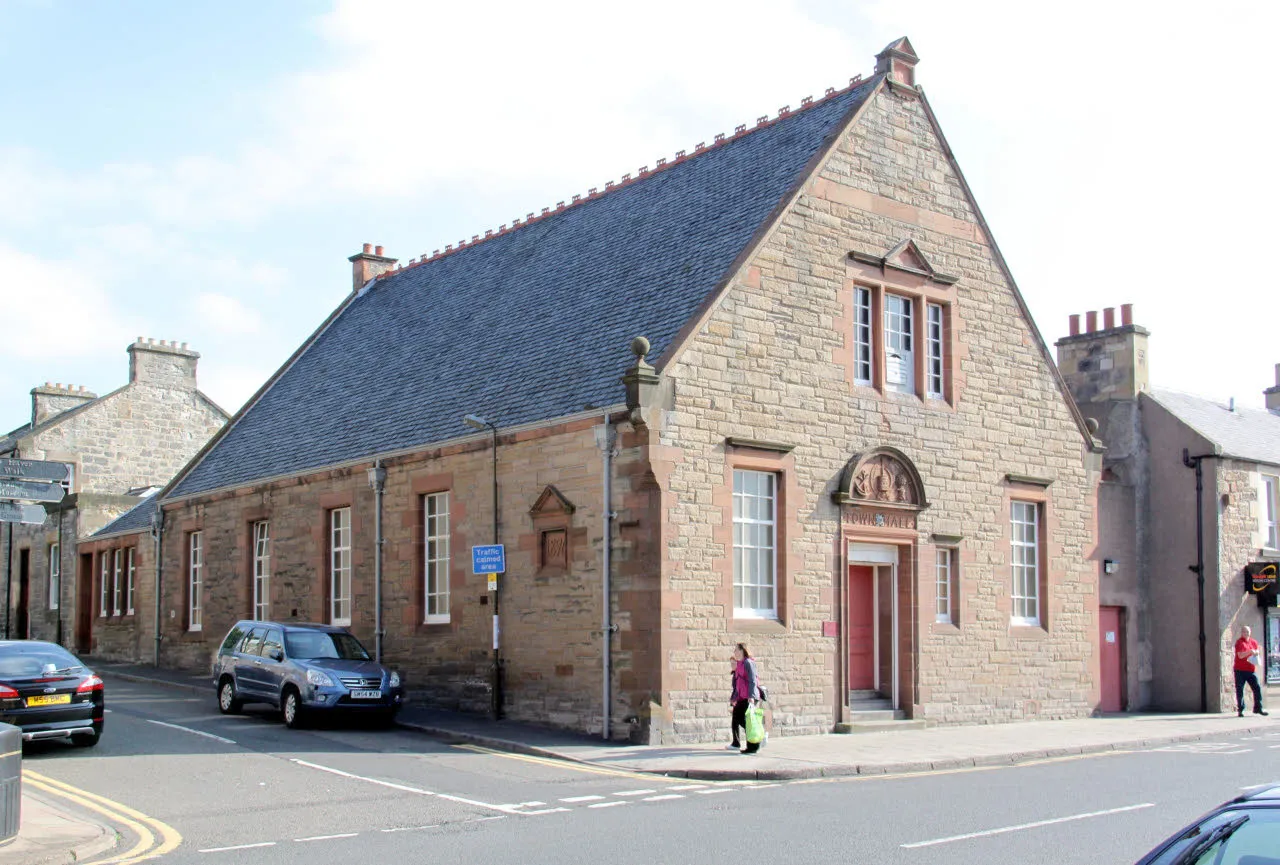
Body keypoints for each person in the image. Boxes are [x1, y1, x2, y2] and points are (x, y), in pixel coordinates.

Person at [727, 643, 761, 753]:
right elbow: (738, 683)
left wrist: (751, 697)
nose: (734, 652)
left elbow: (752, 680)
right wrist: (735, 698)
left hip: (749, 697)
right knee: (738, 716)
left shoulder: (748, 663)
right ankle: (754, 741)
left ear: (742, 650)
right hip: (742, 697)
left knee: (749, 721)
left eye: (736, 650)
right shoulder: (740, 664)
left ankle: (753, 746)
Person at [1233, 625, 1268, 717]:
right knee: (1240, 689)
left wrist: (1256, 653)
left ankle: (1258, 708)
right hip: (1240, 670)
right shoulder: (1239, 642)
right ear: (1242, 633)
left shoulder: (1253, 642)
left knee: (1257, 687)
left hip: (1251, 670)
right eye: (1244, 631)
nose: (1246, 633)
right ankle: (1240, 710)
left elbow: (1256, 652)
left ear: (1250, 632)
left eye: (1248, 632)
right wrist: (1250, 652)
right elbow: (1240, 655)